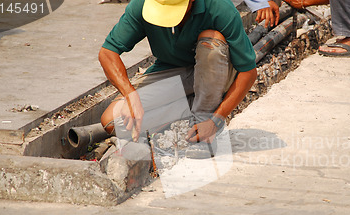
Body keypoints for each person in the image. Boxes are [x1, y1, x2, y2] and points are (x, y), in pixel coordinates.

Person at [99, 0, 257, 158]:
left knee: (211, 39)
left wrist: (215, 121)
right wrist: (130, 94)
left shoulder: (218, 7)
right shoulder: (142, 4)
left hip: (217, 73)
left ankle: (203, 125)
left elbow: (248, 72)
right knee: (112, 122)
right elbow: (107, 53)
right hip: (174, 71)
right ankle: (196, 105)